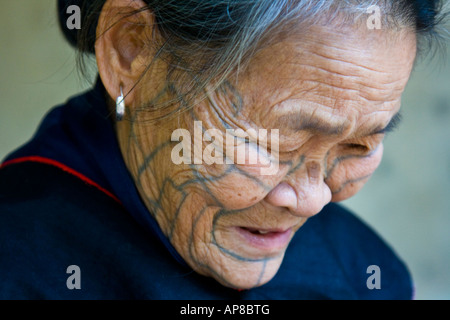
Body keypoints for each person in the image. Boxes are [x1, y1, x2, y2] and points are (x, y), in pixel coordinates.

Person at [0, 0, 446, 299]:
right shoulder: (20, 266)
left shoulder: (364, 272)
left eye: (359, 143)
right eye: (277, 141)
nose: (313, 201)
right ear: (130, 51)